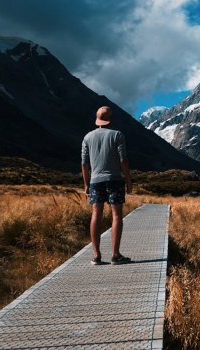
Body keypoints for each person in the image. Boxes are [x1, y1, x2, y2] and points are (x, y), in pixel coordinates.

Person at [81, 106, 133, 265]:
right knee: (116, 215)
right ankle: (115, 255)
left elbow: (84, 163)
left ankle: (96, 255)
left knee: (96, 214)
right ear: (110, 119)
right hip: (115, 179)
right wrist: (128, 179)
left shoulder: (87, 137)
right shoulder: (117, 135)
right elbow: (123, 160)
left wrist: (86, 184)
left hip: (95, 181)